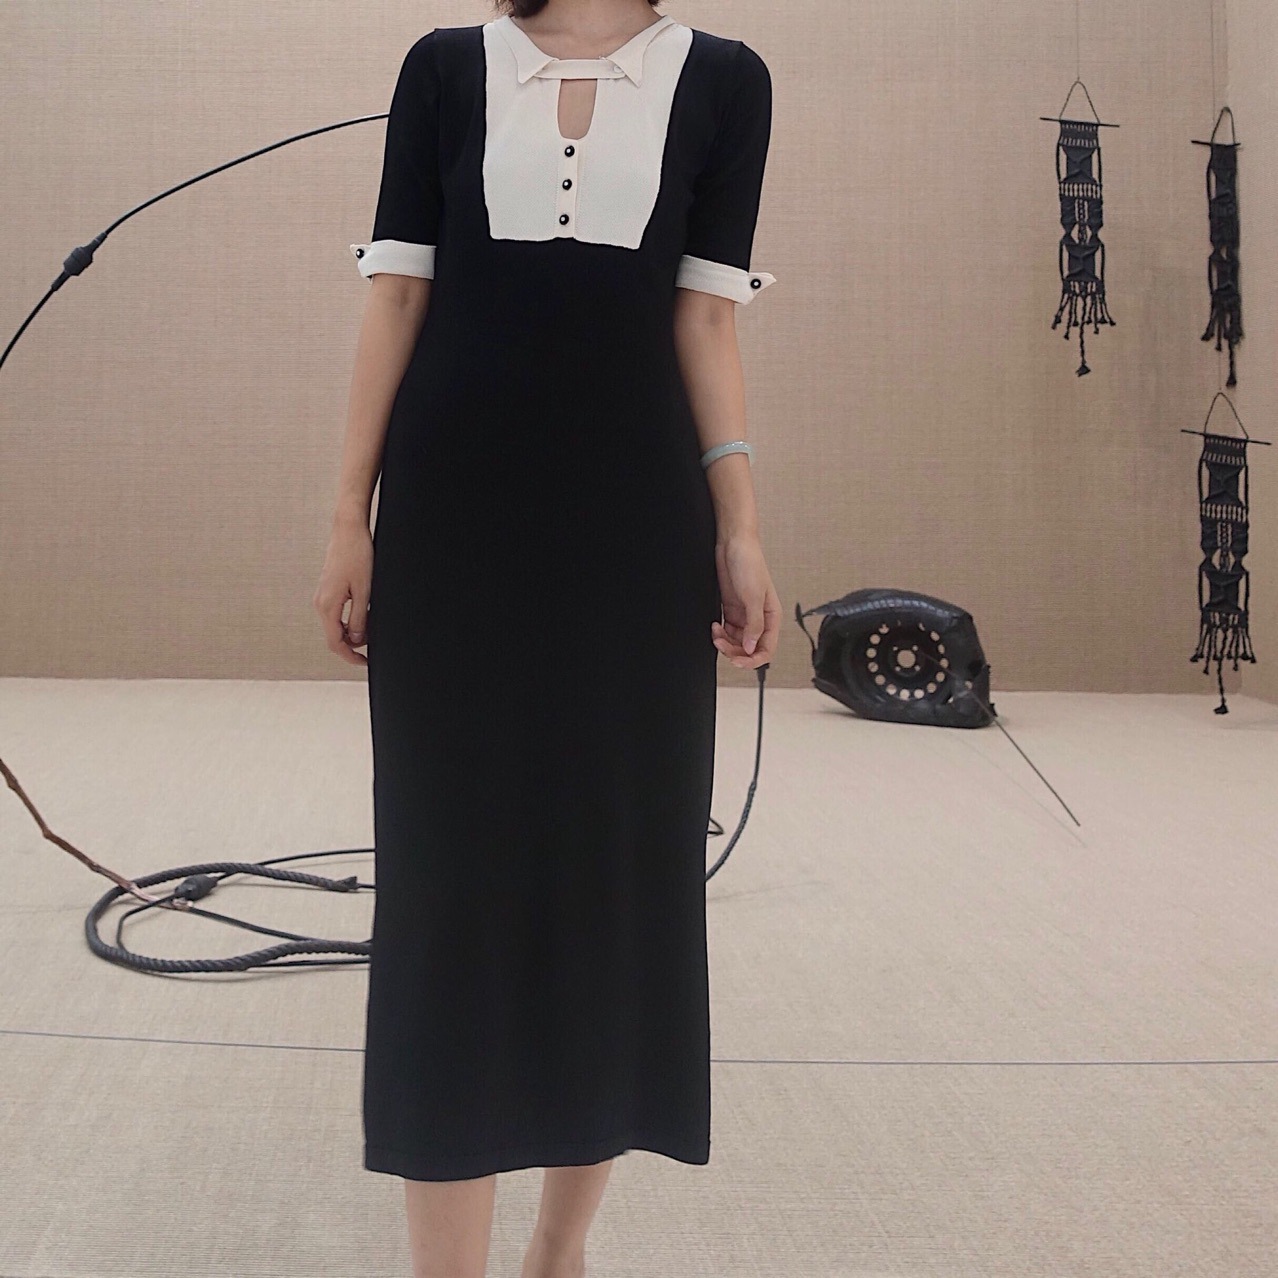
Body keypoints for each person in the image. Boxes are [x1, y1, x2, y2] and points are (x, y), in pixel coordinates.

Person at [313, 0, 780, 1274]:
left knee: (616, 871)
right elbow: (399, 294)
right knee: (444, 883)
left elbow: (706, 319)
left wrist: (739, 525)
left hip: (635, 522)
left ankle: (558, 1250)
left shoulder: (726, 82)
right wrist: (351, 514)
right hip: (455, 511)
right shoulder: (444, 67)